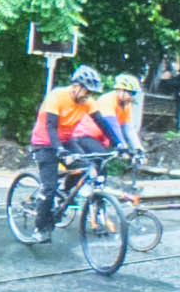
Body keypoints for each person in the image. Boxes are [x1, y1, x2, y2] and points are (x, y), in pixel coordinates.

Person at [30, 65, 124, 231]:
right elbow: (50, 127)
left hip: (67, 141)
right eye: (87, 91)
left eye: (91, 93)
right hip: (44, 143)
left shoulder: (87, 102)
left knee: (86, 168)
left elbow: (101, 123)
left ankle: (64, 191)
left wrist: (119, 144)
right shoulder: (57, 96)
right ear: (75, 86)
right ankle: (40, 228)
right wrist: (59, 150)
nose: (88, 96)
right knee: (49, 188)